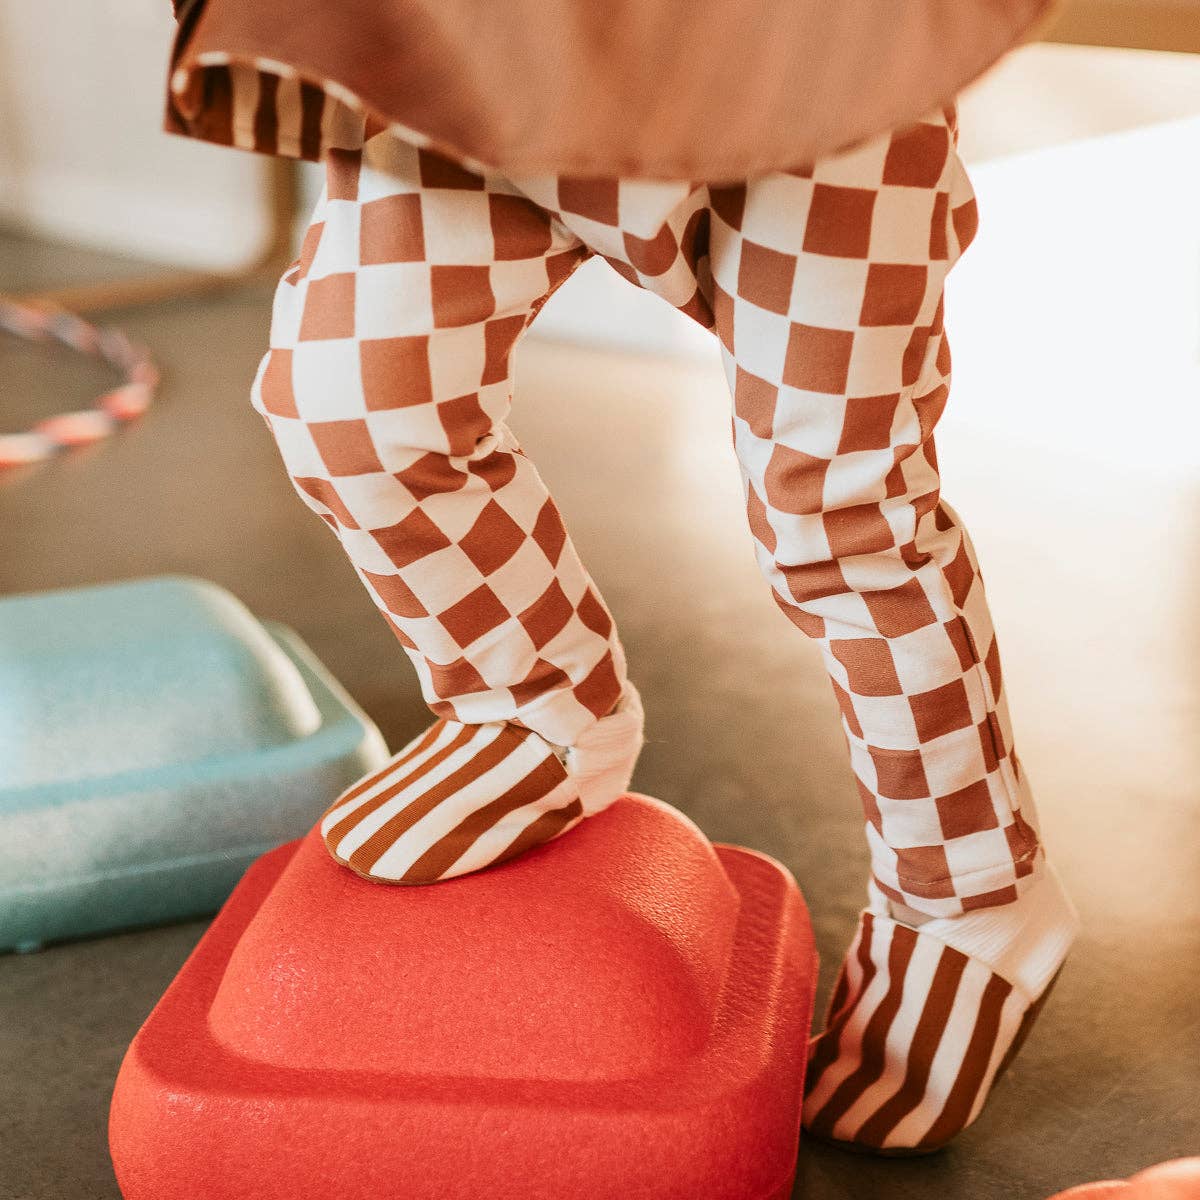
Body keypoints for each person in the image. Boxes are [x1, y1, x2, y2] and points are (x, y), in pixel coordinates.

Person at [163, 0, 1077, 1153]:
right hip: (474, 42)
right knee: (353, 402)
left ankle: (971, 885)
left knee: (839, 512)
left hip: (806, 59)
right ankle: (532, 704)